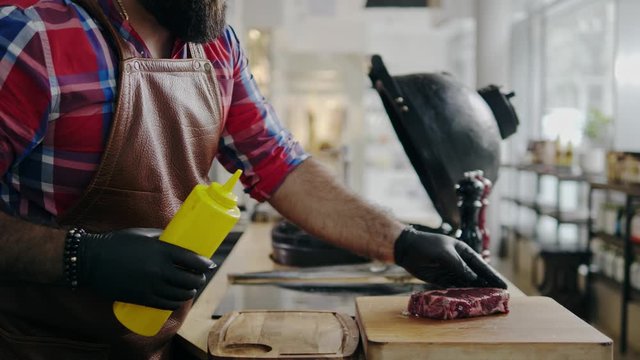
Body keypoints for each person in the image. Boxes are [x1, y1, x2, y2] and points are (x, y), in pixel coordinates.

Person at [0, 0, 507, 359]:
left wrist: (403, 241)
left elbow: (281, 166)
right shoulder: (35, 40)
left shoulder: (216, 47)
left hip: (154, 342)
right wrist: (80, 257)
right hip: (36, 344)